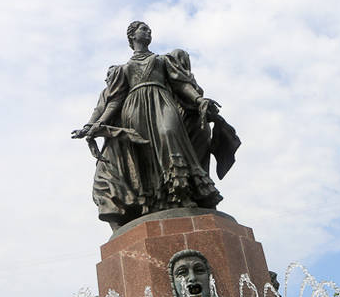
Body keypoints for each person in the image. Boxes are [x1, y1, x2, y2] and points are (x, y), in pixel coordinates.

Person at [72, 21, 240, 229]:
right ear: (132, 36)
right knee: (146, 155)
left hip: (161, 102)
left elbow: (181, 84)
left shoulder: (162, 60)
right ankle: (156, 201)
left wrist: (198, 100)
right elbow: (114, 101)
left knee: (169, 134)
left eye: (149, 29)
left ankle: (184, 193)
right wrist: (94, 125)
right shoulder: (123, 69)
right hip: (134, 110)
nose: (148, 31)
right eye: (143, 29)